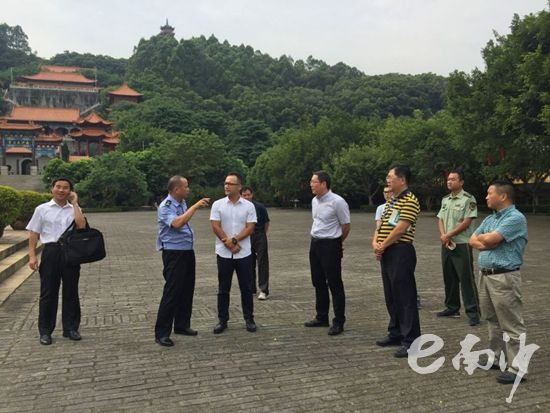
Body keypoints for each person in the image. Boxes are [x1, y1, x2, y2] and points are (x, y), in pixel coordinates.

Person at [469, 180, 528, 385]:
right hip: (485, 275)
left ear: (502, 196)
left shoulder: (515, 218)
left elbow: (491, 239)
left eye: (489, 193)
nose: (486, 197)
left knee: (511, 323)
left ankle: (517, 367)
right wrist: (486, 241)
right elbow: (472, 240)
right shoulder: (491, 218)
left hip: (504, 277)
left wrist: (486, 240)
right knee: (492, 319)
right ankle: (496, 358)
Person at [27, 178, 86, 345]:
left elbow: (81, 226)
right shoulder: (42, 209)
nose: (61, 190)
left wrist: (75, 204)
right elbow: (33, 234)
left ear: (70, 191)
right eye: (58, 187)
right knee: (48, 293)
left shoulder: (74, 208)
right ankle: (45, 331)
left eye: (65, 188)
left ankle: (71, 328)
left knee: (71, 291)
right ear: (52, 189)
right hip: (51, 251)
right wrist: (32, 256)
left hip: (70, 253)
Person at [154, 176, 210, 347]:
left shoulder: (181, 203)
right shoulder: (166, 206)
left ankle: (182, 325)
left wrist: (189, 207)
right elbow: (177, 223)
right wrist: (195, 207)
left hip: (186, 251)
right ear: (176, 189)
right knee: (172, 291)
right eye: (186, 187)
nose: (188, 189)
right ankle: (162, 332)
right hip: (174, 253)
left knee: (186, 289)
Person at [372, 165, 421, 358]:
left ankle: (412, 341)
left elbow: (401, 229)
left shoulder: (409, 200)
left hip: (400, 251)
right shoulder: (393, 201)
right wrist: (376, 242)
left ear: (402, 179)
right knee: (391, 295)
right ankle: (396, 332)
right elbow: (382, 225)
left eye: (390, 177)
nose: (387, 180)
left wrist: (382, 245)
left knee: (405, 298)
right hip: (388, 251)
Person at [210, 172, 257, 334]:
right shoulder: (218, 204)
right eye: (225, 183)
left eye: (230, 183)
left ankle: (249, 318)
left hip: (243, 253)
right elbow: (215, 226)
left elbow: (250, 227)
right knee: (223, 288)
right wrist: (228, 243)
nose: (226, 186)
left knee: (246, 287)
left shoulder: (249, 206)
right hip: (224, 252)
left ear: (239, 187)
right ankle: (222, 320)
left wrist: (235, 241)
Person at [304, 171, 350, 336]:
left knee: (334, 283)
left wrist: (337, 243)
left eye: (313, 181)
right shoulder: (314, 201)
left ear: (323, 184)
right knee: (317, 281)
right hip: (315, 243)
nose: (311, 184)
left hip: (330, 244)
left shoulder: (338, 202)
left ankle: (339, 321)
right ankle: (321, 316)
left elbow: (345, 225)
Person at [436, 170, 480, 326]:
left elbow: (467, 222)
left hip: (461, 243)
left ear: (461, 182)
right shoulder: (445, 200)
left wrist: (449, 235)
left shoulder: (468, 199)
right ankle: (452, 307)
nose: (449, 182)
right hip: (446, 243)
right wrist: (443, 236)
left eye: (453, 179)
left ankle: (473, 313)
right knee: (449, 277)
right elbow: (440, 218)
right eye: (448, 179)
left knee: (466, 278)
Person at [242, 186, 271, 300]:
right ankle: (251, 288)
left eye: (248, 195)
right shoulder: (240, 208)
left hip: (259, 235)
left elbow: (266, 222)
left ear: (252, 195)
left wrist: (262, 235)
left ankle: (263, 289)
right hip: (246, 236)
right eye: (244, 195)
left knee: (262, 262)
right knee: (248, 263)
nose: (246, 197)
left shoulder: (259, 207)